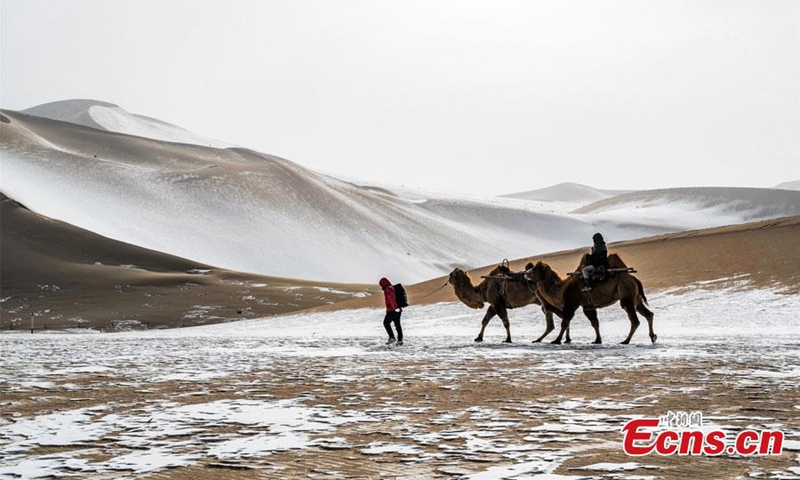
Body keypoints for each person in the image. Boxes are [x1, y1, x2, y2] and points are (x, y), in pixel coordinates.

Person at [379, 277, 403, 345]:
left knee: (386, 323)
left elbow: (392, 299)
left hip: (392, 310)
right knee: (397, 324)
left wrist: (395, 308)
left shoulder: (388, 289)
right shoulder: (392, 287)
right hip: (397, 309)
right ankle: (400, 340)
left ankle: (392, 337)